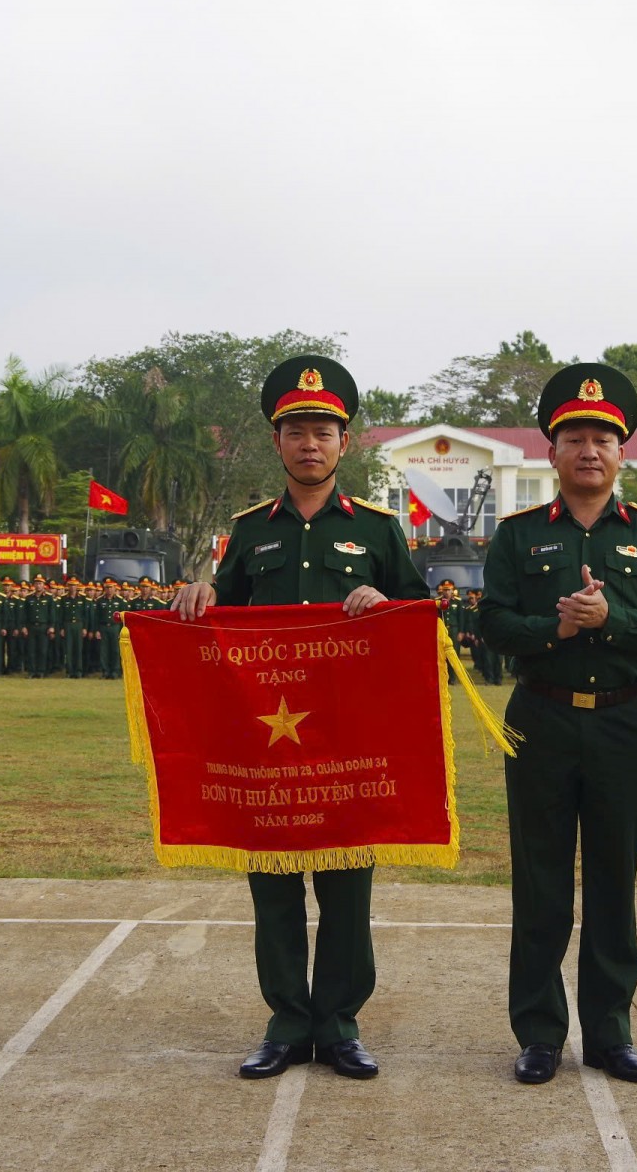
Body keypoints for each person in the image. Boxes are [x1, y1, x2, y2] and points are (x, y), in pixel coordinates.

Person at [172, 354, 430, 1082]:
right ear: (277, 443)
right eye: (295, 431)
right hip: (268, 747)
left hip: (349, 744)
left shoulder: (379, 532)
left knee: (347, 887)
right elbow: (222, 620)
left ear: (344, 443)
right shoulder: (251, 531)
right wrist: (199, 599)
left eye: (323, 430)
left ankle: (340, 1023)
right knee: (276, 887)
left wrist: (386, 607)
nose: (309, 443)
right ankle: (287, 1022)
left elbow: (418, 624)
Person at [478, 363, 637, 1087]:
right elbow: (494, 624)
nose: (589, 450)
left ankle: (610, 1033)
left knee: (612, 884)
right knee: (540, 883)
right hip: (540, 718)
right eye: (574, 438)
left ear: (622, 452)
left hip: (624, 725)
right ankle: (539, 1033)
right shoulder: (517, 535)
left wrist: (612, 618)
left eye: (603, 438)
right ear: (551, 452)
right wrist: (556, 628)